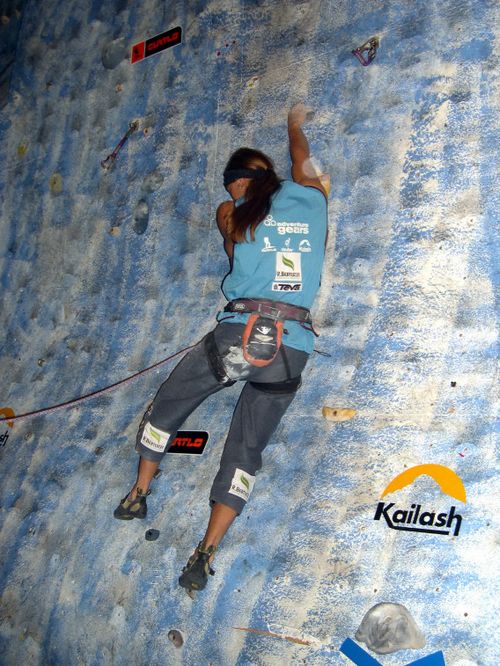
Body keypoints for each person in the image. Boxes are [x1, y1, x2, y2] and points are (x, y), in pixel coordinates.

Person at [114, 103, 328, 594]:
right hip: (292, 344)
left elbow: (233, 249)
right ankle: (206, 551)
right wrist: (294, 123)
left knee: (170, 403)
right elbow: (302, 160)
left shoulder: (230, 214)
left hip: (239, 332)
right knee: (245, 449)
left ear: (238, 183)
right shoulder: (313, 199)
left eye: (231, 183)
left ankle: (139, 491)